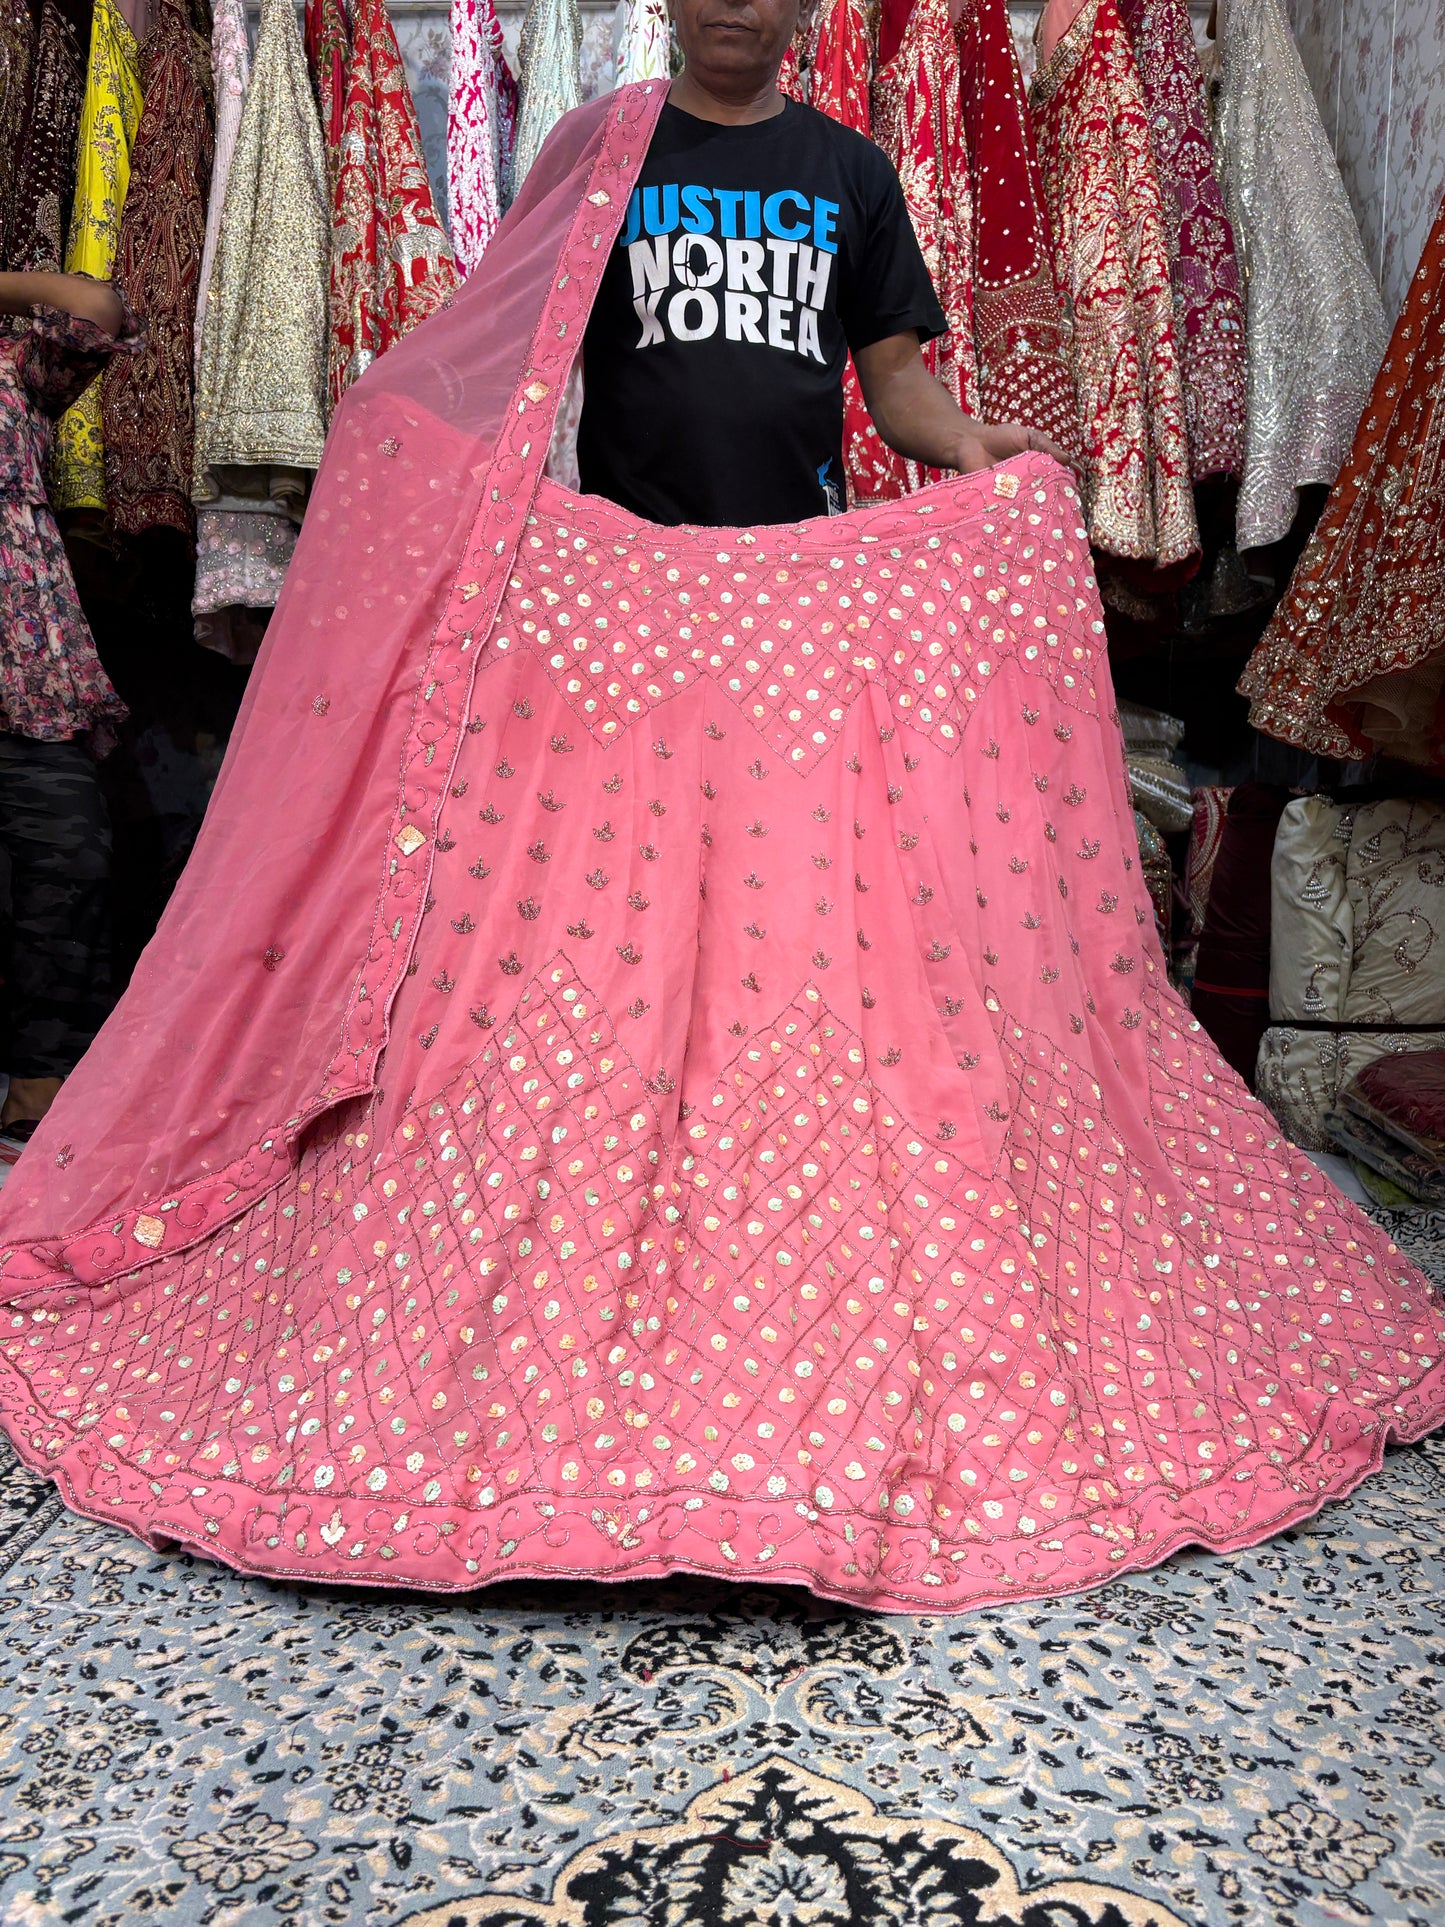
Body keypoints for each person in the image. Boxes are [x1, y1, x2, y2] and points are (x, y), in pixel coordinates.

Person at [0, 14, 1441, 1617]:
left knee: (792, 967)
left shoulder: (849, 172)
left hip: (799, 625)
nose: (742, 11)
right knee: (593, 969)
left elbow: (896, 394)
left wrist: (988, 467)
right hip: (622, 617)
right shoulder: (603, 149)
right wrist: (406, 471)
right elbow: (509, 359)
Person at [578, 0, 1064, 528]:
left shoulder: (855, 171)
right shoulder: (596, 151)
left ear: (807, 8)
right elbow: (519, 348)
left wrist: (963, 437)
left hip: (798, 567)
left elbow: (896, 375)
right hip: (626, 563)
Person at [0, 271, 132, 1148]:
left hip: (28, 668)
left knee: (72, 862)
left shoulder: (12, 365)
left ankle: (39, 1084)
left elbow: (100, 311)